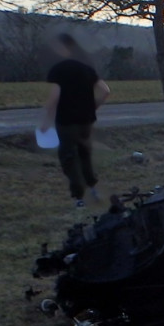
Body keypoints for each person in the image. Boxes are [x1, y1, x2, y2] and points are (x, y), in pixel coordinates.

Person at [39, 34, 111, 208]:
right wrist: (93, 107)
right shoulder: (87, 69)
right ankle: (93, 187)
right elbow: (106, 91)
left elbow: (54, 98)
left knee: (69, 158)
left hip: (66, 121)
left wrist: (46, 121)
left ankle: (79, 197)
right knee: (85, 154)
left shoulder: (58, 70)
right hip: (86, 121)